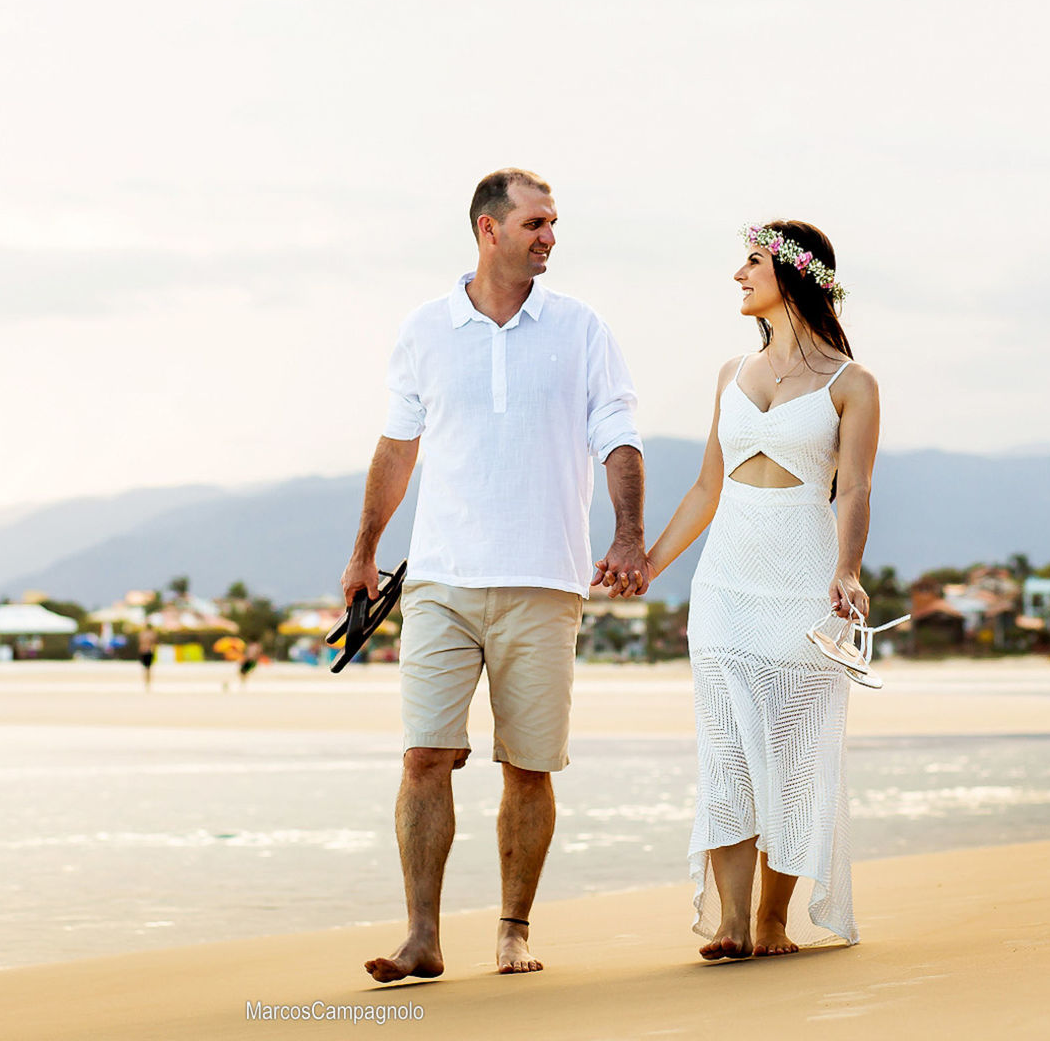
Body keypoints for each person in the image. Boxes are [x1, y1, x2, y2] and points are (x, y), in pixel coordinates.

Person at [343, 168, 647, 983]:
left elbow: (618, 433)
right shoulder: (425, 329)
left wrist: (627, 535)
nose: (550, 236)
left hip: (545, 578)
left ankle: (514, 931)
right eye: (535, 223)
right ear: (489, 229)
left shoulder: (580, 328)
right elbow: (397, 447)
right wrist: (363, 551)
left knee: (528, 765)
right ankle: (422, 937)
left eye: (552, 223)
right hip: (440, 579)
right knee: (423, 756)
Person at [641, 220, 879, 959]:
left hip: (804, 581)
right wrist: (647, 566)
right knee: (727, 752)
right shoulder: (730, 374)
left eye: (752, 262)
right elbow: (707, 488)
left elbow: (855, 488)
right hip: (725, 583)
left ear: (795, 275)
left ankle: (774, 921)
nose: (738, 275)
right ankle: (733, 922)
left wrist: (847, 570)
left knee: (796, 753)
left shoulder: (852, 383)